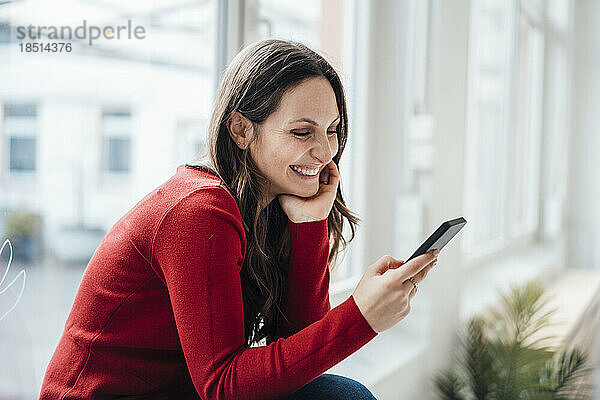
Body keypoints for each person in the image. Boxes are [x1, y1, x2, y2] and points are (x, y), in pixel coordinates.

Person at [39, 39, 439, 400]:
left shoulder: (266, 205)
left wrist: (309, 224)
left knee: (338, 394)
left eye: (332, 130)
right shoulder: (199, 213)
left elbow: (296, 345)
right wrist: (361, 317)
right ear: (241, 130)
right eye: (302, 132)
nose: (325, 153)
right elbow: (222, 386)